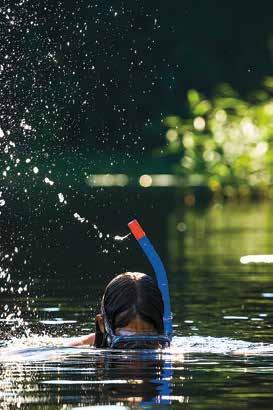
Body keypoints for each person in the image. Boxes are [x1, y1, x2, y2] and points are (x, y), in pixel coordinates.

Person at [69, 271, 169, 349]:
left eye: (148, 342)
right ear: (102, 325)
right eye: (126, 342)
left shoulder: (169, 351)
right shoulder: (75, 349)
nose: (137, 361)